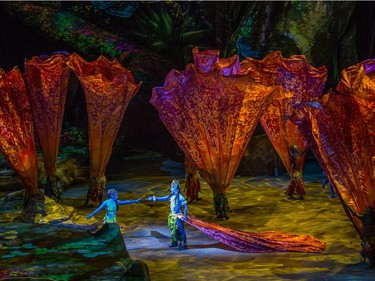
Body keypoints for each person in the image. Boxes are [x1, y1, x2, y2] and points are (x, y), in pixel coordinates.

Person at [146, 180, 188, 250]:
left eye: (173, 186)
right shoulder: (171, 196)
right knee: (172, 230)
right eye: (171, 186)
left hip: (177, 216)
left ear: (176, 188)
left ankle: (184, 244)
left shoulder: (180, 197)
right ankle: (174, 243)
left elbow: (185, 207)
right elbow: (164, 198)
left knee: (181, 230)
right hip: (171, 216)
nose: (171, 187)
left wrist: (185, 216)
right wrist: (154, 198)